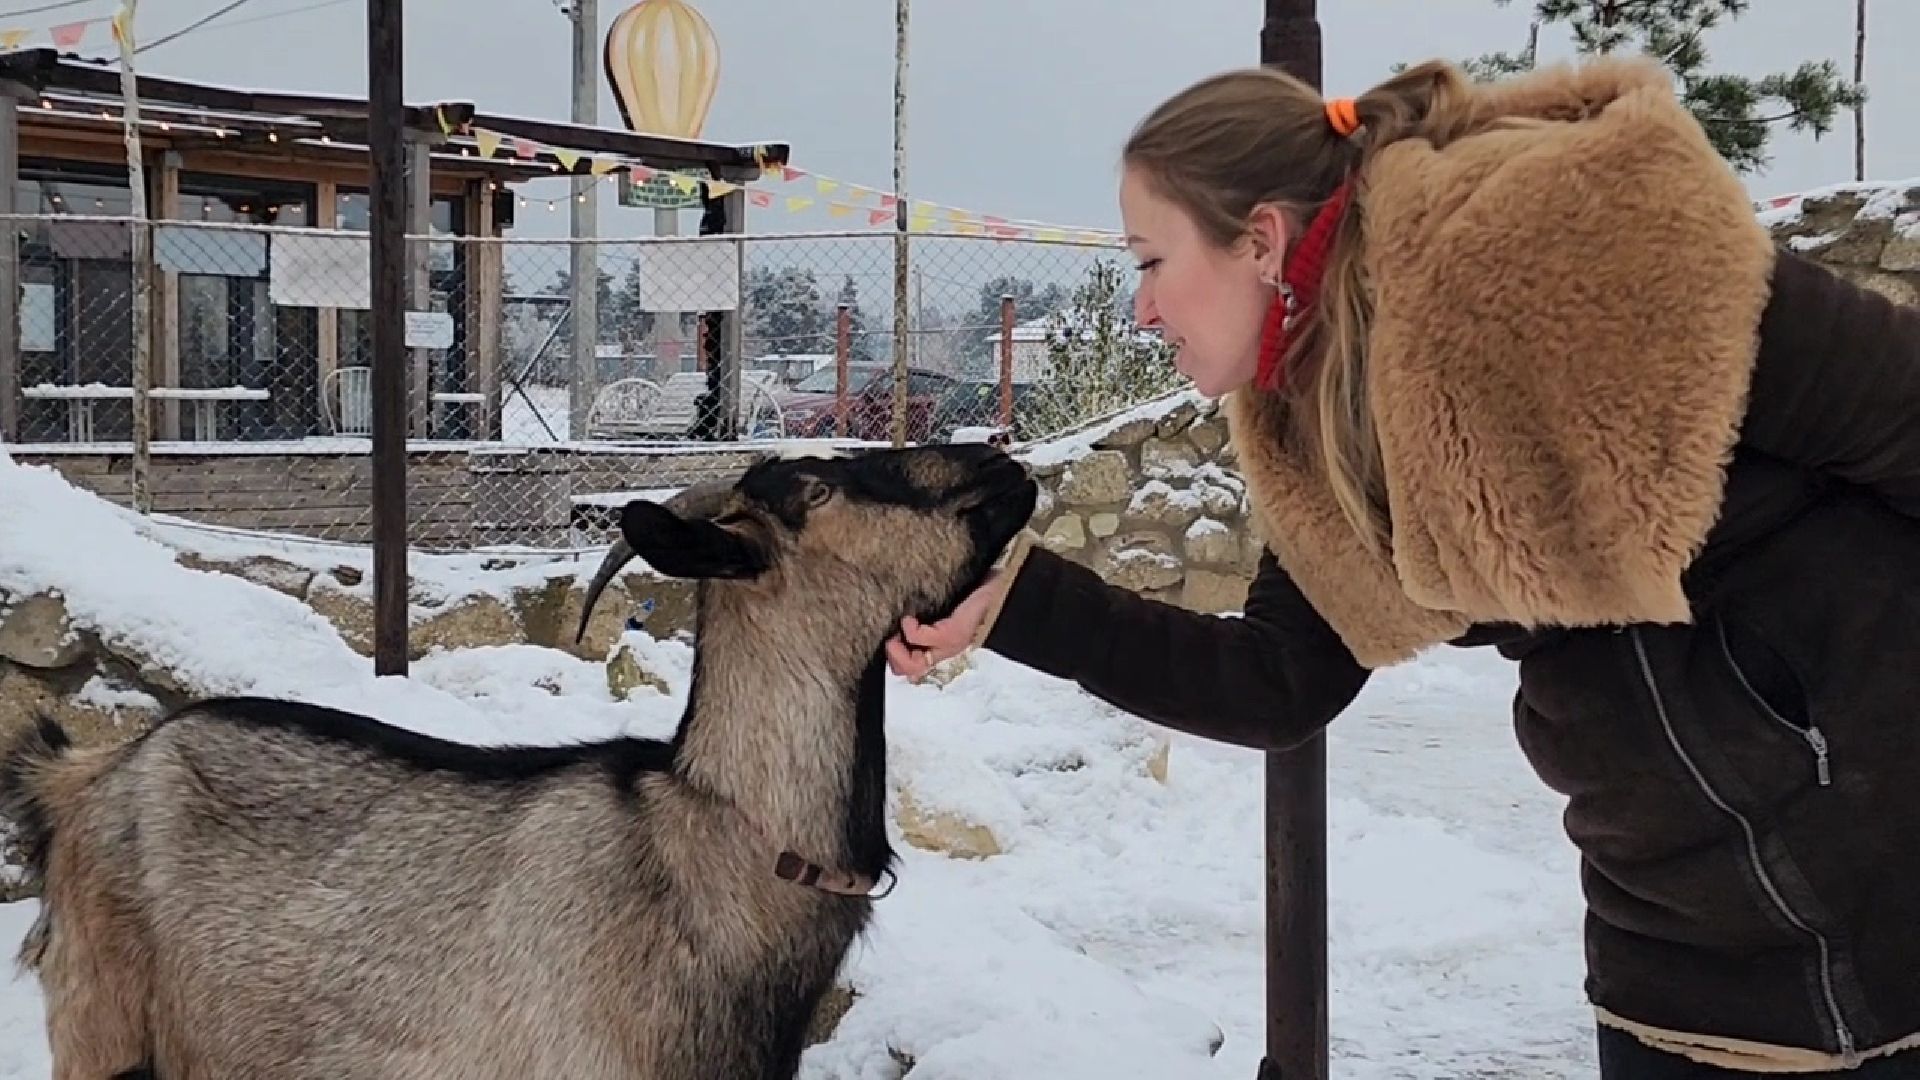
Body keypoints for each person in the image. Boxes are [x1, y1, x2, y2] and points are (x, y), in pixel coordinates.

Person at [885, 54, 1920, 1078]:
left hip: (1884, 898)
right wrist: (1012, 603)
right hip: (1671, 941)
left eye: (1152, 261)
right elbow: (1278, 679)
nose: (1141, 310)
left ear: (1260, 241)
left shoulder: (1571, 257)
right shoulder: (1315, 417)